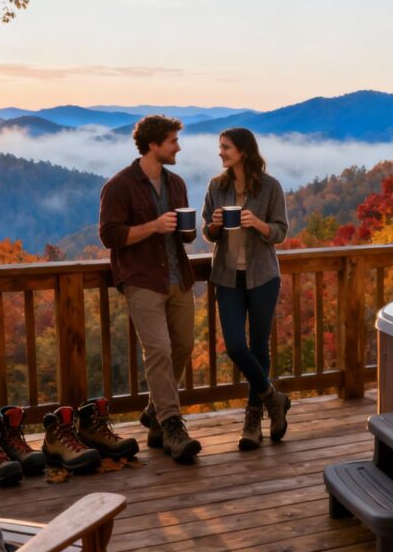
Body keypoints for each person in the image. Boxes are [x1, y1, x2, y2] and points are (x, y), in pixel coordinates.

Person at [99, 115, 201, 463]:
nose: (178, 147)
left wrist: (188, 230)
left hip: (179, 278)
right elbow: (110, 235)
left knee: (184, 345)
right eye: (173, 141)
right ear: (154, 145)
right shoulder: (120, 186)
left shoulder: (177, 184)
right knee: (158, 349)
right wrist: (153, 226)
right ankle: (172, 425)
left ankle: (153, 412)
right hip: (142, 280)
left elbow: (183, 235)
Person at [202, 128, 291, 450]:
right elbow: (208, 234)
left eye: (225, 147)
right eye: (220, 147)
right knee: (236, 346)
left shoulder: (270, 187)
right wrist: (212, 225)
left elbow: (280, 232)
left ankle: (253, 420)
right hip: (227, 277)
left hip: (263, 276)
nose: (221, 153)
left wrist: (258, 224)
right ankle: (273, 398)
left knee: (259, 349)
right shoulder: (216, 186)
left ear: (242, 151)